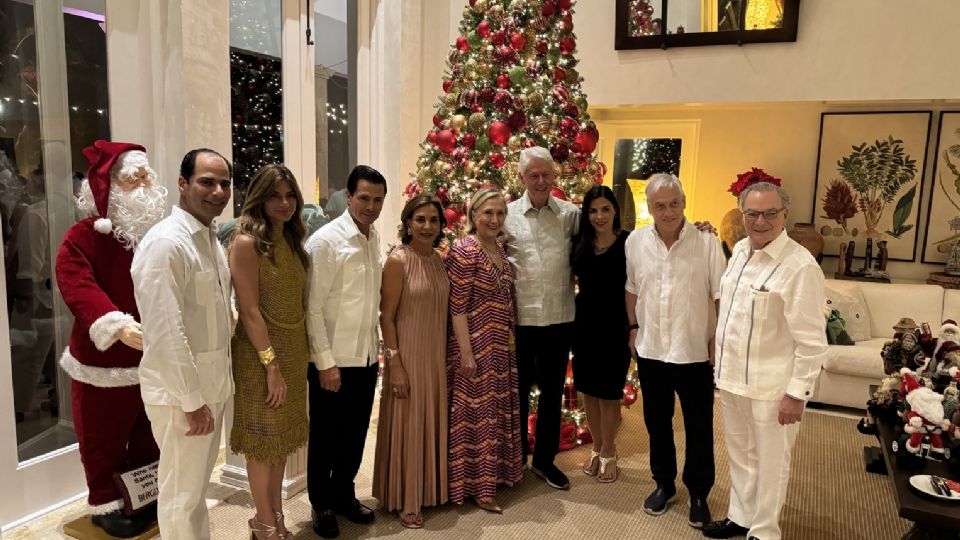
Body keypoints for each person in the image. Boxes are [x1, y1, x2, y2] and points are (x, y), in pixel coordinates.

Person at [703, 182, 827, 540]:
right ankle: (741, 517)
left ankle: (765, 531)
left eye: (770, 213)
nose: (761, 221)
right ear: (743, 215)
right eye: (753, 213)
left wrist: (797, 394)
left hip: (772, 389)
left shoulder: (800, 267)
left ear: (784, 215)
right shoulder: (739, 250)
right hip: (731, 381)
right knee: (740, 457)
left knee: (771, 463)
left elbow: (812, 341)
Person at [55, 141, 167, 537]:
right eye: (131, 178)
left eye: (145, 177)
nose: (141, 185)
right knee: (103, 437)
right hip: (101, 363)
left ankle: (140, 498)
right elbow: (77, 283)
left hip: (150, 357)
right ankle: (105, 504)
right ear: (107, 187)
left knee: (146, 432)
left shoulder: (156, 236)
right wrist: (115, 324)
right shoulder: (83, 237)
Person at [131, 148, 235, 540]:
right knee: (179, 494)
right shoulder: (165, 243)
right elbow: (163, 331)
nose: (218, 191)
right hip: (182, 397)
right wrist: (192, 401)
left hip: (211, 387)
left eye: (224, 183)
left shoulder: (208, 238)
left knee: (194, 493)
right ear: (182, 184)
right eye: (207, 182)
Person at [624, 174, 725, 527]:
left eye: (674, 204)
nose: (667, 212)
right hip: (652, 350)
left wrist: (718, 341)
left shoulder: (708, 242)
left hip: (694, 351)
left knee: (699, 426)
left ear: (684, 203)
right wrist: (633, 329)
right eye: (659, 206)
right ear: (650, 207)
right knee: (656, 422)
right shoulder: (635, 241)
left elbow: (719, 295)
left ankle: (698, 492)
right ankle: (663, 484)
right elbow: (632, 288)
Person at [228, 164, 311, 539]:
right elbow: (249, 310)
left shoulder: (292, 239)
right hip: (260, 356)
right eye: (275, 195)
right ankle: (262, 522)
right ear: (259, 198)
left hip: (292, 350)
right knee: (262, 441)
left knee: (280, 441)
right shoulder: (246, 242)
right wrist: (271, 366)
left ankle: (275, 514)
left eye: (290, 195)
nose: (284, 203)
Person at [305, 165, 386, 539]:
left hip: (366, 358)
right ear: (348, 197)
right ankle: (321, 504)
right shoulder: (326, 241)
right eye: (364, 198)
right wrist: (325, 363)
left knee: (354, 435)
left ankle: (344, 494)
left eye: (377, 200)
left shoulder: (372, 237)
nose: (370, 206)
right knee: (326, 436)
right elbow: (313, 307)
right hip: (333, 362)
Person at [372, 194, 450, 528]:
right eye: (420, 219)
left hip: (435, 355)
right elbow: (385, 317)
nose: (427, 226)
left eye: (434, 220)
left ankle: (428, 491)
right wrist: (396, 364)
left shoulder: (439, 259)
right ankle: (407, 498)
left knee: (429, 419)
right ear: (408, 222)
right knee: (410, 423)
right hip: (406, 355)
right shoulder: (398, 260)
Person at [504, 146, 579, 491]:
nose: (540, 180)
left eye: (546, 174)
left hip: (560, 319)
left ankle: (545, 461)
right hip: (521, 322)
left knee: (552, 395)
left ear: (554, 176)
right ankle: (516, 459)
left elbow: (605, 239)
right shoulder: (504, 216)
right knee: (517, 394)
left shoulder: (570, 215)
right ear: (521, 178)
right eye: (533, 175)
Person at [447, 187, 524, 512]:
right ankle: (477, 488)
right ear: (473, 215)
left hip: (499, 346)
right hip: (474, 345)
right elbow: (457, 307)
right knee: (476, 415)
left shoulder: (499, 247)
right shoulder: (466, 250)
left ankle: (495, 477)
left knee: (493, 412)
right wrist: (466, 353)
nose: (494, 219)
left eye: (500, 214)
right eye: (487, 213)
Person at [570, 186, 630, 484]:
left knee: (609, 392)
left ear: (615, 210)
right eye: (593, 210)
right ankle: (596, 446)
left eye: (605, 209)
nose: (599, 216)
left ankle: (609, 449)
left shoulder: (629, 242)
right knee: (588, 391)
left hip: (615, 326)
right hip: (584, 325)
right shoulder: (579, 244)